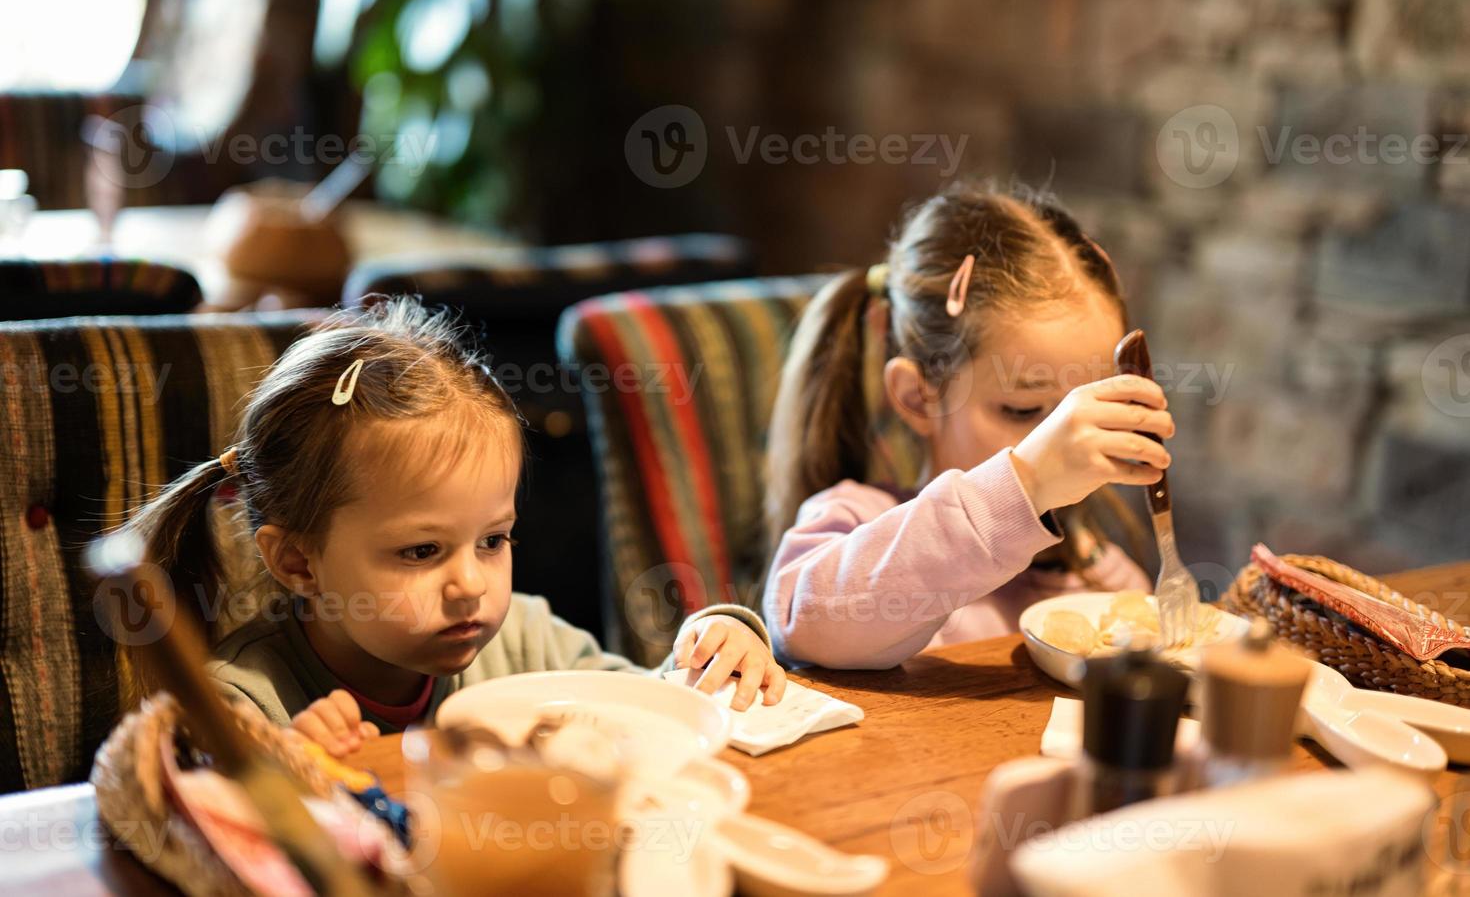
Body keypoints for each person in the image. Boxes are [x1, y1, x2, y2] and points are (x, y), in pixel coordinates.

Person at [121, 297, 785, 756]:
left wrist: (715, 646)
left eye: (493, 540)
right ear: (298, 563)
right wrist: (292, 778)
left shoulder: (528, 642)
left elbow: (650, 711)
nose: (470, 585)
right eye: (421, 551)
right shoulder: (246, 705)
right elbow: (198, 841)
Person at [763, 184, 1170, 669]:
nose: (1063, 441)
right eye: (1022, 410)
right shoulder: (856, 521)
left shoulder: (1100, 576)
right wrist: (1029, 480)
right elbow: (805, 625)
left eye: (1083, 411)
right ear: (919, 398)